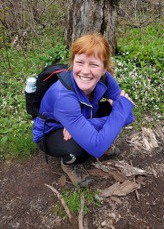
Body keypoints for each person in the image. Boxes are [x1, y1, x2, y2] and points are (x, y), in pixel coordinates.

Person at [33, 33, 134, 186]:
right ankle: (69, 163)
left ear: (104, 68)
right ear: (72, 63)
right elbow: (97, 147)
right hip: (52, 131)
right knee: (81, 147)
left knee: (115, 113)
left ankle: (86, 129)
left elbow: (129, 116)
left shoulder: (106, 78)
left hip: (83, 116)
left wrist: (89, 125)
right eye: (80, 62)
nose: (85, 71)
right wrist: (122, 108)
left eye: (93, 65)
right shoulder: (62, 96)